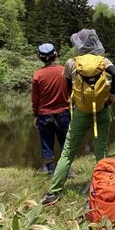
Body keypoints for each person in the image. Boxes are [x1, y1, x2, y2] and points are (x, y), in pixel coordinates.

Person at [42, 29, 115, 205]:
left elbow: (69, 87)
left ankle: (53, 193)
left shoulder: (71, 63)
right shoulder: (103, 60)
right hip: (102, 109)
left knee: (68, 152)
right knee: (101, 151)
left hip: (81, 112)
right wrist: (112, 95)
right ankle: (105, 189)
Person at [31, 43, 70, 174]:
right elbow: (71, 92)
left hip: (44, 114)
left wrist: (35, 115)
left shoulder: (37, 75)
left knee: (46, 142)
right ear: (55, 55)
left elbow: (35, 98)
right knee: (65, 141)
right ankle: (67, 170)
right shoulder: (64, 71)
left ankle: (51, 170)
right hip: (64, 113)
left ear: (40, 58)